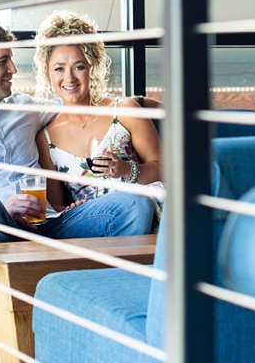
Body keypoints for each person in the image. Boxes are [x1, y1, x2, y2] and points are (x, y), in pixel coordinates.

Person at [0, 17, 154, 245]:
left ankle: (103, 277)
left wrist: (141, 103)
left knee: (135, 204)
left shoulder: (25, 107)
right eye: (3, 61)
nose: (13, 69)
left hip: (50, 225)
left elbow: (76, 101)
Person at [33, 11, 163, 213]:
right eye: (59, 69)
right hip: (94, 224)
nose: (69, 78)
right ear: (47, 73)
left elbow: (163, 169)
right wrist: (73, 210)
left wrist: (126, 170)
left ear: (92, 68)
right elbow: (55, 206)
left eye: (79, 67)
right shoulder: (45, 138)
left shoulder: (125, 111)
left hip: (145, 213)